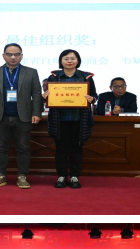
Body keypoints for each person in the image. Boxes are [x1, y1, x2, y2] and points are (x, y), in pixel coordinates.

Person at [0, 43, 42, 189]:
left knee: (23, 147)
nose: (13, 57)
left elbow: (36, 94)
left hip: (24, 116)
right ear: (4, 56)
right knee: (0, 147)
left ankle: (22, 176)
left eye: (16, 54)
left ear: (21, 56)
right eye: (9, 54)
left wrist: (36, 112)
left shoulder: (31, 72)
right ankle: (0, 176)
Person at [42, 50, 97, 189]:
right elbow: (48, 97)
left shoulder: (86, 77)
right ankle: (61, 176)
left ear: (78, 60)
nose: (69, 61)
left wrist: (92, 99)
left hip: (79, 119)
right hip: (59, 120)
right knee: (60, 149)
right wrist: (45, 97)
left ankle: (74, 176)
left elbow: (94, 96)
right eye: (66, 58)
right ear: (61, 61)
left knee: (76, 149)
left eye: (73, 58)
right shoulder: (54, 77)